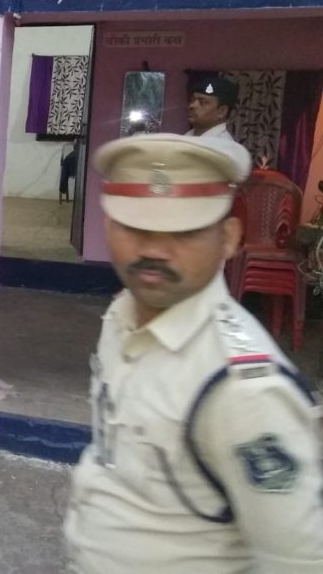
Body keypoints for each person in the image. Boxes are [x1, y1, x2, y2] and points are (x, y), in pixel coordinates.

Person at [65, 133, 323, 573]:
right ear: (108, 228)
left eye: (183, 232)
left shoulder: (244, 390)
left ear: (228, 238)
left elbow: (298, 560)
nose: (153, 250)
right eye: (134, 227)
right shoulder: (123, 315)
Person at [185, 75, 237, 140]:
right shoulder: (189, 135)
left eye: (202, 102)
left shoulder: (222, 143)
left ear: (222, 112)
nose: (191, 106)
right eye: (192, 100)